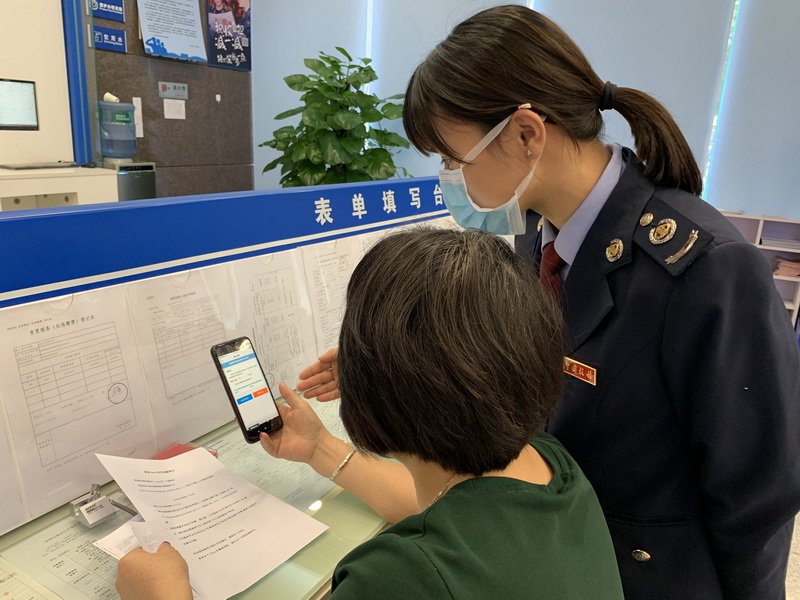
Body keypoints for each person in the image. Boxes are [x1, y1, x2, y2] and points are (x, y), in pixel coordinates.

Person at [301, 5, 800, 600]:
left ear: (526, 134)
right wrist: (391, 367)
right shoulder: (534, 237)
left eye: (454, 159)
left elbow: (757, 498)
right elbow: (519, 381)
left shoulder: (703, 270)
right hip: (546, 554)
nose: (449, 178)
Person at [116, 229, 625, 599]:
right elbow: (446, 508)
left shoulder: (397, 576)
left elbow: (436, 543)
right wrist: (321, 448)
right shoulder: (548, 460)